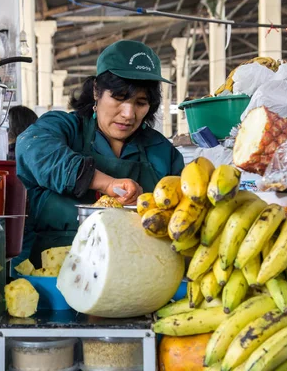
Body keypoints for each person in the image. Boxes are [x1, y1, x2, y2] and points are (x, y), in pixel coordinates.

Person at [15, 40, 184, 267]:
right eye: (118, 97)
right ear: (96, 90)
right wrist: (106, 184)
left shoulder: (163, 154)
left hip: (134, 284)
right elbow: (32, 148)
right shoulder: (64, 128)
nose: (128, 114)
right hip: (50, 286)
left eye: (141, 102)